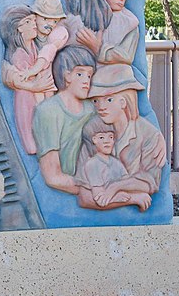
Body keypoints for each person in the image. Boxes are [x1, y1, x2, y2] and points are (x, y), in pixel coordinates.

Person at [77, 64, 165, 211]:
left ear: (124, 102)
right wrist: (131, 198)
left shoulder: (148, 134)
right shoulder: (92, 130)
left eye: (109, 100)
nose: (101, 107)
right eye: (95, 101)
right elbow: (85, 197)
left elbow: (150, 183)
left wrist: (116, 187)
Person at [0, 2, 67, 154]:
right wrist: (35, 86)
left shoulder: (35, 47)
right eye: (28, 22)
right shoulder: (19, 54)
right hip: (27, 98)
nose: (34, 24)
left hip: (42, 93)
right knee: (31, 133)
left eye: (33, 20)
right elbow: (22, 78)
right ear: (18, 28)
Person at [32, 45, 98, 195]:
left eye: (89, 75)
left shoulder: (91, 109)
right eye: (80, 74)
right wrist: (97, 191)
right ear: (67, 75)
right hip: (76, 188)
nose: (86, 81)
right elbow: (53, 177)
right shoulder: (48, 111)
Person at [72, 0, 139, 65]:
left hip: (114, 75)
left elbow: (126, 56)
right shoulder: (85, 13)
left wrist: (98, 48)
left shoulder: (130, 23)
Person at [74, 118, 130, 205]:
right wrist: (115, 198)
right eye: (101, 137)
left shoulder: (116, 163)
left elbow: (127, 183)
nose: (107, 141)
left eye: (110, 137)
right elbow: (99, 199)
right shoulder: (92, 164)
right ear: (94, 140)